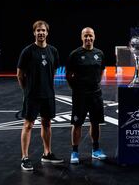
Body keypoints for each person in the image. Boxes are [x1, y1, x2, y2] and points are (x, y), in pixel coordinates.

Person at [17, 20, 63, 171]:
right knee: (28, 125)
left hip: (48, 95)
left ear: (47, 32)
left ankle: (47, 153)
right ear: (34, 33)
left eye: (43, 30)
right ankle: (25, 157)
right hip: (32, 95)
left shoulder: (53, 51)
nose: (41, 33)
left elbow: (53, 71)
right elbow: (19, 74)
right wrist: (26, 91)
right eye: (38, 31)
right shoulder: (28, 51)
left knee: (47, 124)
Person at [66, 27, 107, 164]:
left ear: (94, 37)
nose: (88, 38)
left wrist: (94, 84)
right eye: (85, 36)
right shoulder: (75, 54)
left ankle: (95, 150)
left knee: (95, 123)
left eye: (90, 36)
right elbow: (69, 75)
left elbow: (101, 72)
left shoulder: (99, 53)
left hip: (96, 95)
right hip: (80, 96)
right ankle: (75, 152)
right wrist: (76, 88)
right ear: (81, 37)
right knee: (77, 123)